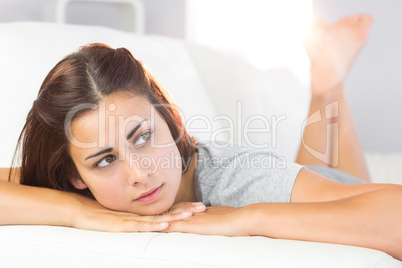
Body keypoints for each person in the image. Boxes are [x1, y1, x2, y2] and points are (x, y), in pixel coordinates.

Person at [0, 14, 401, 260]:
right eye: (106, 160)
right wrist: (81, 213)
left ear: (170, 120)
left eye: (142, 137)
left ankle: (327, 85)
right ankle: (326, 85)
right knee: (320, 171)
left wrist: (246, 218)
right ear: (75, 178)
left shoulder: (240, 180)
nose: (139, 173)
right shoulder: (84, 193)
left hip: (310, 187)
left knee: (343, 183)